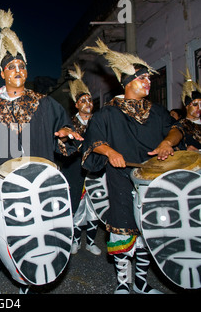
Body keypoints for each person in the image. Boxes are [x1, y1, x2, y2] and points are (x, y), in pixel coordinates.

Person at [0, 9, 82, 294]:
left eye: (22, 66)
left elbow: (62, 137)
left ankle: (25, 289)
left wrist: (66, 134)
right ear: (2, 72)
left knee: (29, 238)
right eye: (12, 67)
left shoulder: (45, 103)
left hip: (35, 188)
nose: (18, 70)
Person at [82, 39, 183, 294]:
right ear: (127, 83)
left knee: (148, 234)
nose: (148, 82)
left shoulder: (158, 112)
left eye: (149, 78)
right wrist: (110, 151)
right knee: (124, 231)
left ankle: (140, 283)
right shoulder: (107, 113)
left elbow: (177, 129)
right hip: (121, 181)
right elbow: (93, 142)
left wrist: (167, 143)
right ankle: (123, 284)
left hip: (154, 182)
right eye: (142, 78)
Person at [59, 63, 101, 256]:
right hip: (75, 171)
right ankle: (75, 240)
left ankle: (91, 241)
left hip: (97, 171)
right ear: (76, 104)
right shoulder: (69, 123)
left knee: (95, 207)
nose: (88, 103)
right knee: (76, 206)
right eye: (83, 100)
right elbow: (63, 148)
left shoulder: (99, 122)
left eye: (90, 100)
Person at [172, 69, 201, 151]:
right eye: (195, 105)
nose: (199, 107)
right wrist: (185, 149)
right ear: (187, 106)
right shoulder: (180, 125)